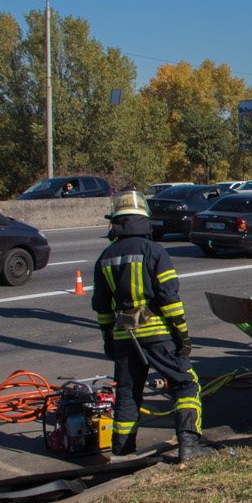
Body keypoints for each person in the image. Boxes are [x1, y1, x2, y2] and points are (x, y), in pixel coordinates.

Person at [93, 190, 207, 461]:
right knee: (186, 383)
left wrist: (109, 340)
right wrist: (182, 335)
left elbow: (102, 307)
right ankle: (189, 446)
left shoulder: (106, 256)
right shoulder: (154, 251)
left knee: (127, 392)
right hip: (156, 332)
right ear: (144, 220)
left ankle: (122, 451)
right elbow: (169, 298)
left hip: (124, 335)